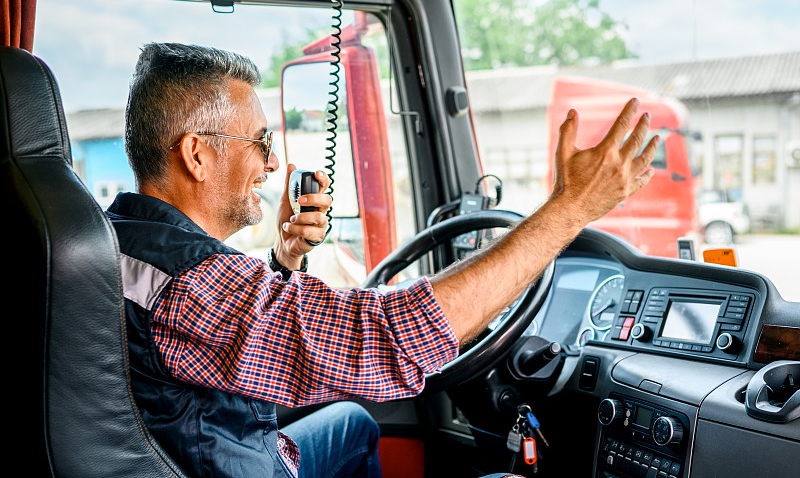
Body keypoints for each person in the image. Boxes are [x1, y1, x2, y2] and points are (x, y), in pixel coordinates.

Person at [107, 42, 658, 478]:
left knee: (352, 426)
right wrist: (571, 208)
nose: (273, 163)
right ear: (197, 154)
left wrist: (284, 258)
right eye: (259, 142)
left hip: (218, 454)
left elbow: (231, 330)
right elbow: (387, 337)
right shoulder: (191, 284)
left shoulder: (118, 238)